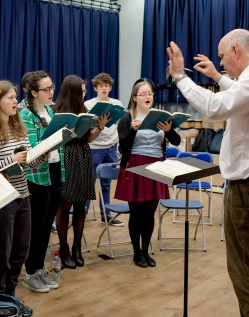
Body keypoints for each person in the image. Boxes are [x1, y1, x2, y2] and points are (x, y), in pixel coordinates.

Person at [167, 28, 249, 316]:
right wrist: (215, 77)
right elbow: (241, 95)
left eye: (222, 57)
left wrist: (180, 78)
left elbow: (216, 107)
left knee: (245, 271)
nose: (221, 63)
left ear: (236, 51)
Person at [0, 80, 48, 316]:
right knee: (1, 257)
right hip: (1, 201)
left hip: (22, 196)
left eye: (15, 96)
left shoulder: (19, 128)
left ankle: (10, 299)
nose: (15, 101)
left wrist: (44, 152)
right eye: (9, 97)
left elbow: (30, 161)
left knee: (20, 253)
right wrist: (10, 162)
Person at [114, 78, 181, 268]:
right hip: (134, 165)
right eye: (143, 94)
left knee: (150, 212)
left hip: (156, 166)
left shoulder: (159, 116)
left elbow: (175, 141)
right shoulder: (127, 118)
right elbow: (123, 146)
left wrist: (168, 130)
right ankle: (136, 253)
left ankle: (145, 251)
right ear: (135, 97)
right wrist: (134, 130)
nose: (147, 96)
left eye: (150, 93)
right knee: (136, 212)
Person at [52, 74, 109, 269]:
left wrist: (100, 127)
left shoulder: (84, 110)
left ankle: (77, 247)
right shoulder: (56, 111)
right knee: (64, 205)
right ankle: (64, 248)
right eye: (82, 91)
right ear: (73, 92)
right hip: (66, 157)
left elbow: (88, 139)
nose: (85, 94)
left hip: (83, 156)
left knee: (80, 205)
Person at [20, 71, 63, 293]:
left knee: (47, 226)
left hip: (55, 170)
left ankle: (39, 270)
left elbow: (58, 148)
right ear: (33, 92)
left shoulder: (50, 110)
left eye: (52, 87)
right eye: (46, 89)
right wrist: (55, 138)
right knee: (35, 228)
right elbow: (34, 151)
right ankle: (29, 274)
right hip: (36, 176)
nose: (50, 92)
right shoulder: (26, 115)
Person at [84, 72, 124, 226]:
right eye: (101, 85)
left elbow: (121, 124)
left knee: (106, 183)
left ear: (110, 87)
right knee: (90, 183)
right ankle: (83, 213)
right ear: (95, 88)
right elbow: (86, 126)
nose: (104, 88)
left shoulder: (117, 103)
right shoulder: (88, 104)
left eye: (106, 85)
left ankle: (106, 215)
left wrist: (118, 141)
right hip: (94, 147)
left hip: (111, 148)